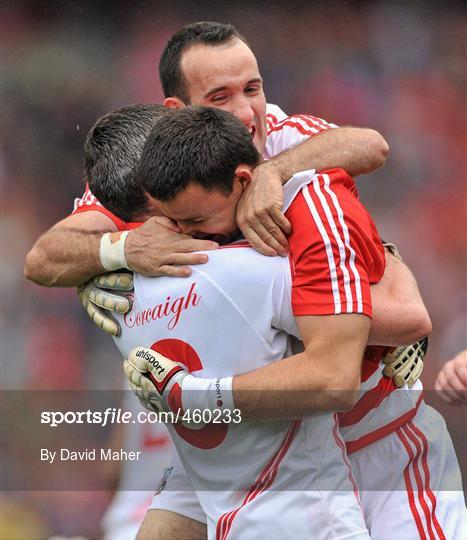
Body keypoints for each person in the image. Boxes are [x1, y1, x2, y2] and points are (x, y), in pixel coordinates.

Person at [124, 106, 465, 540]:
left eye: (252, 87)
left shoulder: (304, 208)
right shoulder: (172, 193)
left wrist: (190, 397)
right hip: (269, 456)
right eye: (173, 221)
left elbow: (405, 321)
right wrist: (113, 251)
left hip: (379, 446)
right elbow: (54, 253)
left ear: (242, 180)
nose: (185, 235)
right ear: (175, 105)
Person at [24, 21, 389, 294]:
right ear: (176, 110)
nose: (246, 113)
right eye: (220, 98)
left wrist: (272, 172)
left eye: (252, 89)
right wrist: (122, 251)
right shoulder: (151, 165)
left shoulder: (278, 134)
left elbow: (371, 146)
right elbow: (43, 259)